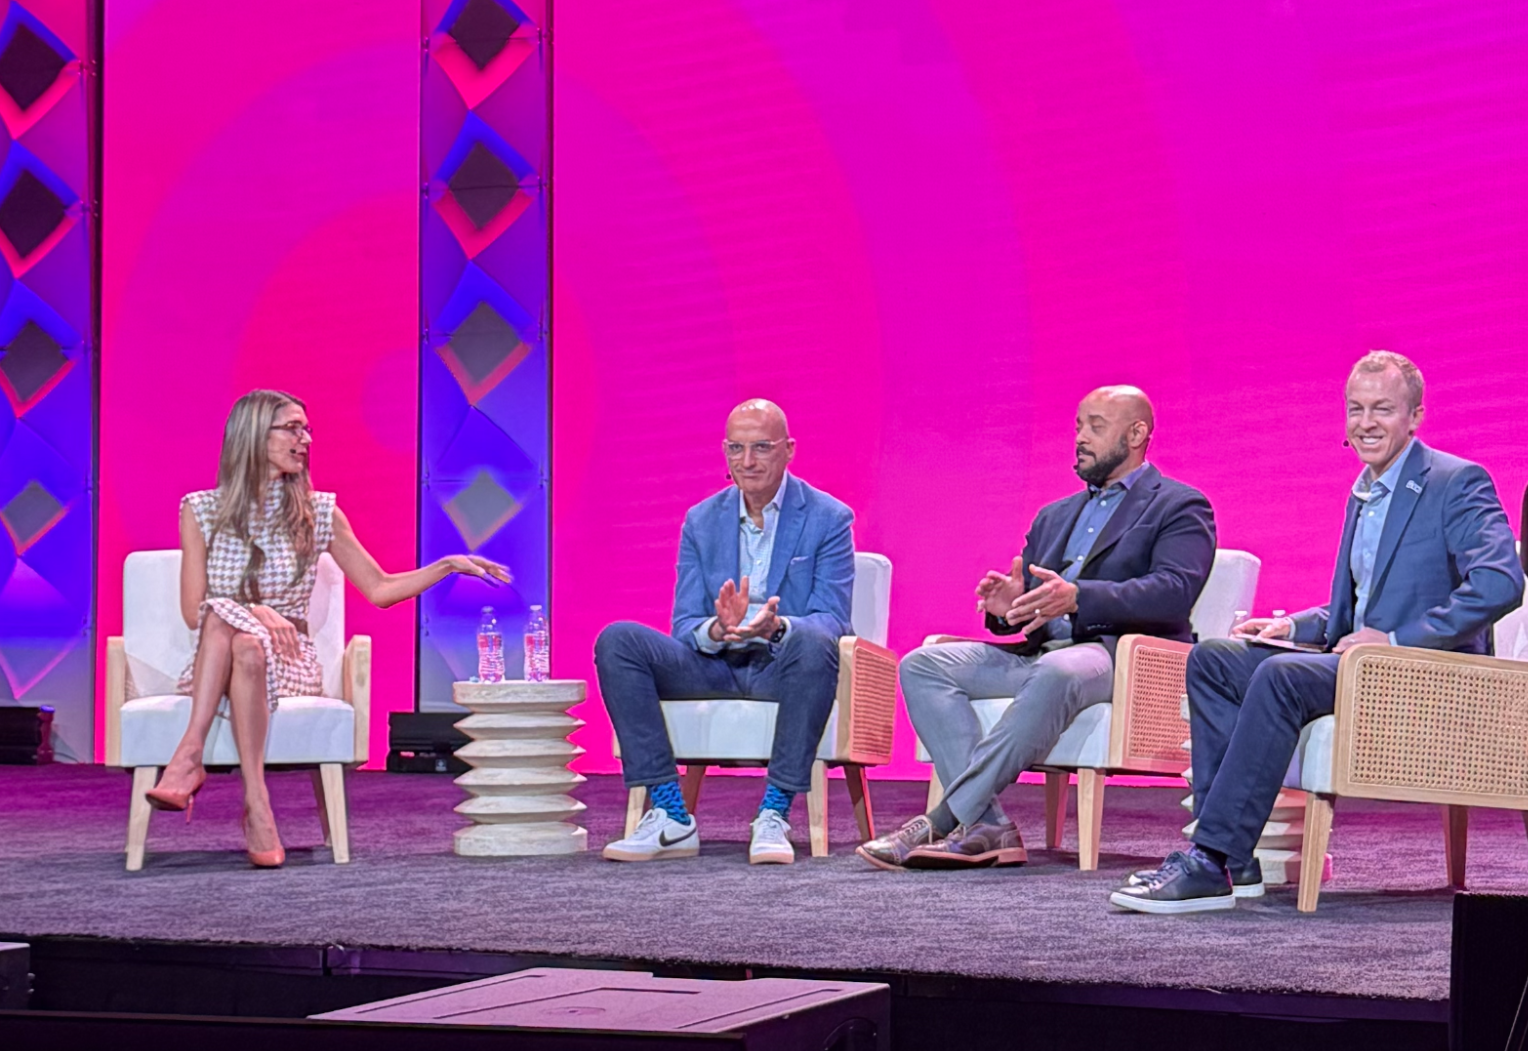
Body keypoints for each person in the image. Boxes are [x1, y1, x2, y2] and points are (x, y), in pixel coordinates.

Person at [1115, 352, 1524, 914]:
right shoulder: (1365, 492)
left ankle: (1209, 858)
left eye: (1383, 408)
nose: (1366, 422)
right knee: (1212, 658)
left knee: (1282, 676)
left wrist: (1398, 640)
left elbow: (1501, 583)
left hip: (1425, 673)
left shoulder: (1456, 482)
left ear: (1416, 416)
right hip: (1360, 664)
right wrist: (1292, 624)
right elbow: (1351, 611)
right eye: (1356, 409)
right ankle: (1237, 863)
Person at [145, 390, 510, 867]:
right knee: (237, 637)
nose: (305, 439)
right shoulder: (200, 510)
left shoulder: (318, 513)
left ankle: (189, 761)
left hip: (290, 658)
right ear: (253, 435)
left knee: (241, 637)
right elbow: (195, 611)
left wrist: (444, 566)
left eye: (307, 429)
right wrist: (255, 613)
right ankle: (256, 802)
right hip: (218, 658)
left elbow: (379, 589)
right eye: (292, 428)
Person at [858, 386, 1215, 871]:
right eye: (1077, 427)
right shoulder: (1054, 515)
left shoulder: (1178, 505)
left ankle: (943, 818)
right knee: (925, 665)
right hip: (1042, 653)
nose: (1081, 438)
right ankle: (988, 825)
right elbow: (1030, 604)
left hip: (1120, 656)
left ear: (1136, 434)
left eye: (1095, 425)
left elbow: (1174, 590)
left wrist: (1081, 597)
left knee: (1060, 670)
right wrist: (1008, 606)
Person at [596, 399, 855, 865]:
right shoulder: (701, 520)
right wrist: (718, 628)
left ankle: (774, 813)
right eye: (736, 449)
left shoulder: (829, 518)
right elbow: (684, 625)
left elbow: (834, 618)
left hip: (783, 667)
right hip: (713, 664)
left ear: (789, 450)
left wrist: (778, 628)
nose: (747, 462)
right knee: (618, 640)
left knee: (816, 641)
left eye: (761, 447)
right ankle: (671, 815)